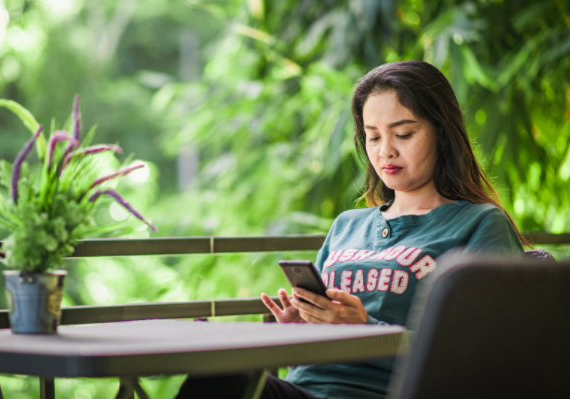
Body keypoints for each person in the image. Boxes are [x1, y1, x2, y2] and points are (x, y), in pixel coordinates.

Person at [175, 60, 526, 399]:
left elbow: (486, 355)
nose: (386, 150)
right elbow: (311, 356)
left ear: (442, 133)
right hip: (303, 388)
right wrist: (302, 331)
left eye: (403, 133)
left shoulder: (480, 224)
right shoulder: (348, 225)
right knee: (218, 373)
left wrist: (366, 331)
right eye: (373, 137)